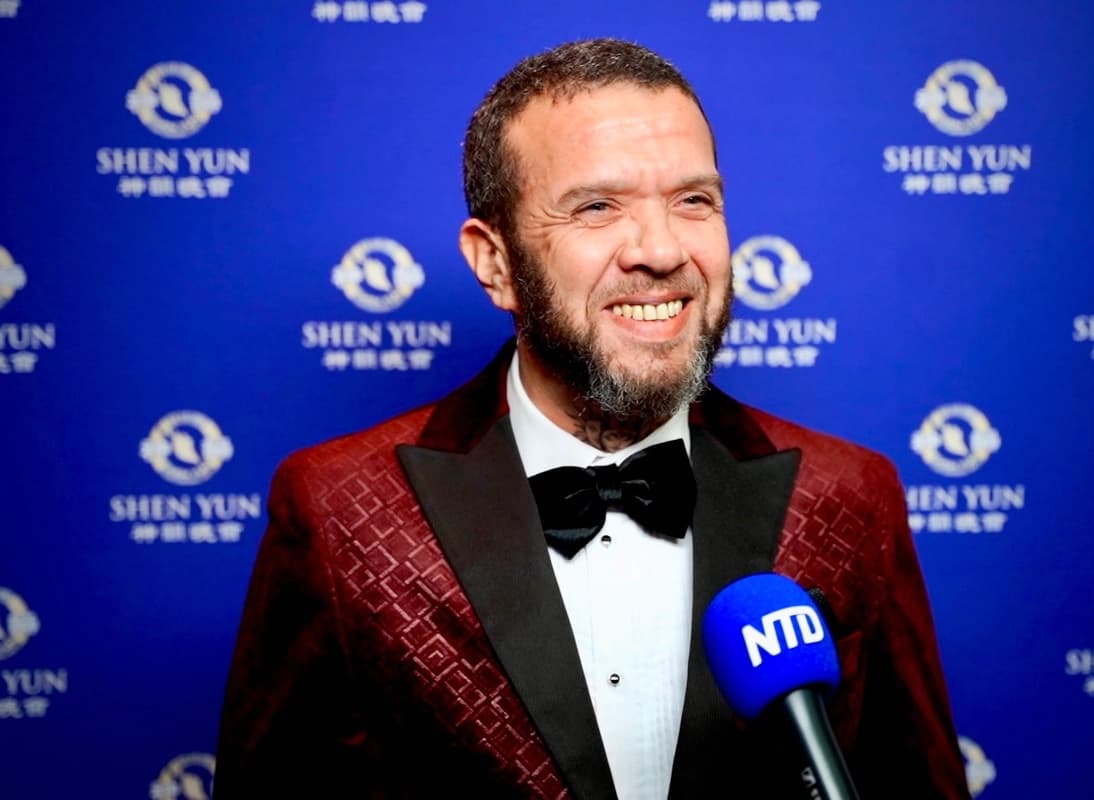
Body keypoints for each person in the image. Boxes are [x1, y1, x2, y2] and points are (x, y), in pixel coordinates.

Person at [215, 38, 969, 799]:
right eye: (597, 207)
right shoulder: (339, 509)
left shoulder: (850, 495)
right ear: (495, 263)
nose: (662, 248)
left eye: (694, 201)